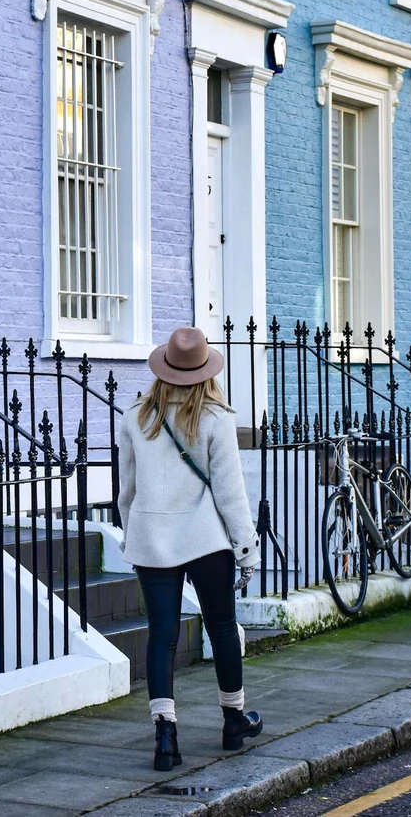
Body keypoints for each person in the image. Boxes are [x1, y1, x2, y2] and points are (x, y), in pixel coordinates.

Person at [117, 326, 264, 771]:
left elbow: (126, 490)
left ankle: (166, 738)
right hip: (206, 541)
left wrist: (135, 531)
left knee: (161, 637)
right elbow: (230, 493)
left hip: (151, 540)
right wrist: (247, 549)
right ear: (205, 371)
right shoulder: (216, 419)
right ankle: (233, 720)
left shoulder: (135, 418)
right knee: (221, 628)